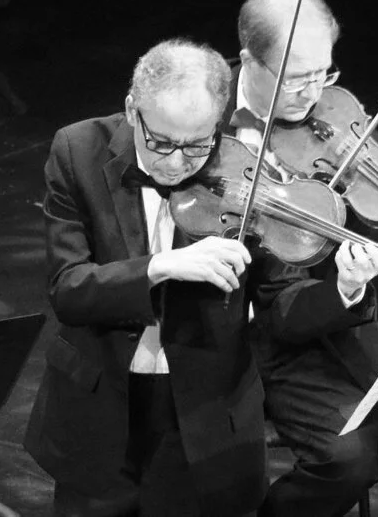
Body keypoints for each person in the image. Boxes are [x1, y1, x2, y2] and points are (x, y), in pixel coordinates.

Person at [230, 0, 378, 516]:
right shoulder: (204, 109)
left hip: (300, 327)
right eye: (296, 78)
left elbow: (354, 258)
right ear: (250, 61)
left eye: (324, 73)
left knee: (351, 460)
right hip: (209, 326)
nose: (312, 93)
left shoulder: (333, 121)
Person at [25, 38, 265, 516]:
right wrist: (158, 267)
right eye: (161, 143)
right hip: (99, 409)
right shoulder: (77, 149)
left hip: (205, 417)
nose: (176, 163)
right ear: (133, 110)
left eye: (197, 145)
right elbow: (68, 289)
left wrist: (350, 286)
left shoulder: (246, 172)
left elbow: (285, 299)